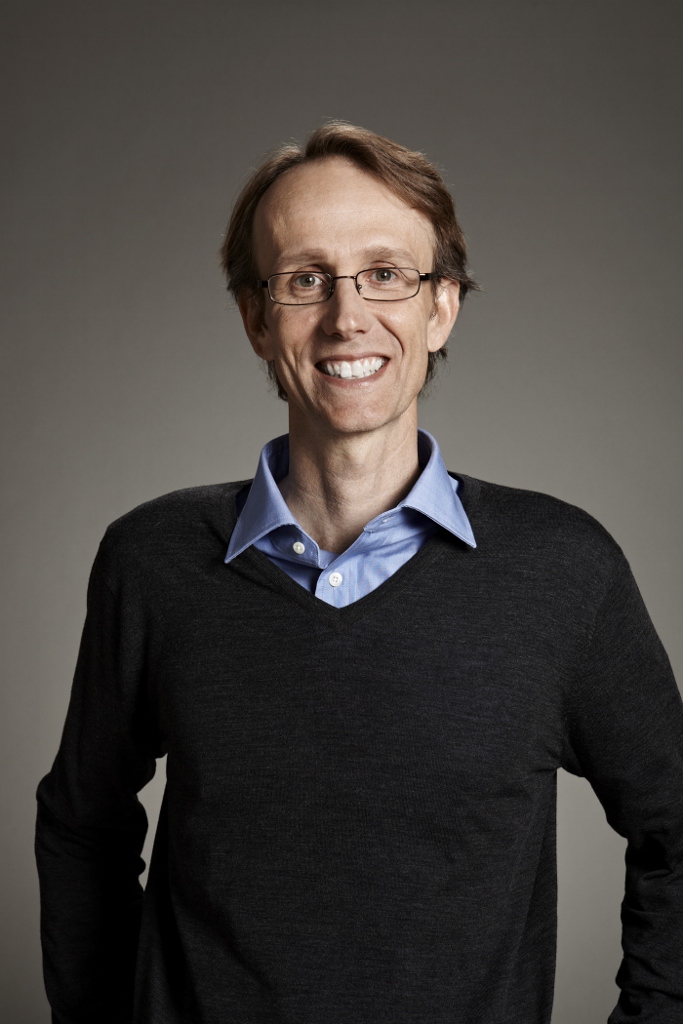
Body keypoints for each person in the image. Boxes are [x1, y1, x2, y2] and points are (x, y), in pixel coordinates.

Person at [35, 122, 683, 1024]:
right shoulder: (152, 562)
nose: (347, 317)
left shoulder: (564, 571)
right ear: (256, 319)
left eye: (386, 274)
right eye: (305, 279)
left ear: (441, 307)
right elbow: (83, 826)